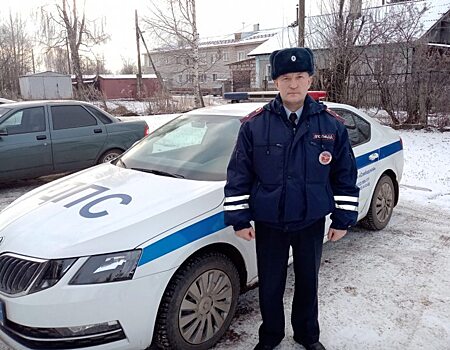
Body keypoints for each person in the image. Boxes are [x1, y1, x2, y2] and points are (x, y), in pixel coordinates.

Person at [223, 47, 359, 350]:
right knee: (270, 285)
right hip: (269, 221)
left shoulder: (331, 124)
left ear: (310, 79)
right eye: (286, 77)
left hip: (310, 220)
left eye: (300, 76)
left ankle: (307, 336)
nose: (293, 84)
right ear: (275, 82)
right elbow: (238, 175)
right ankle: (270, 336)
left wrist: (343, 218)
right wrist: (239, 218)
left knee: (308, 283)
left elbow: (345, 175)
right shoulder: (254, 125)